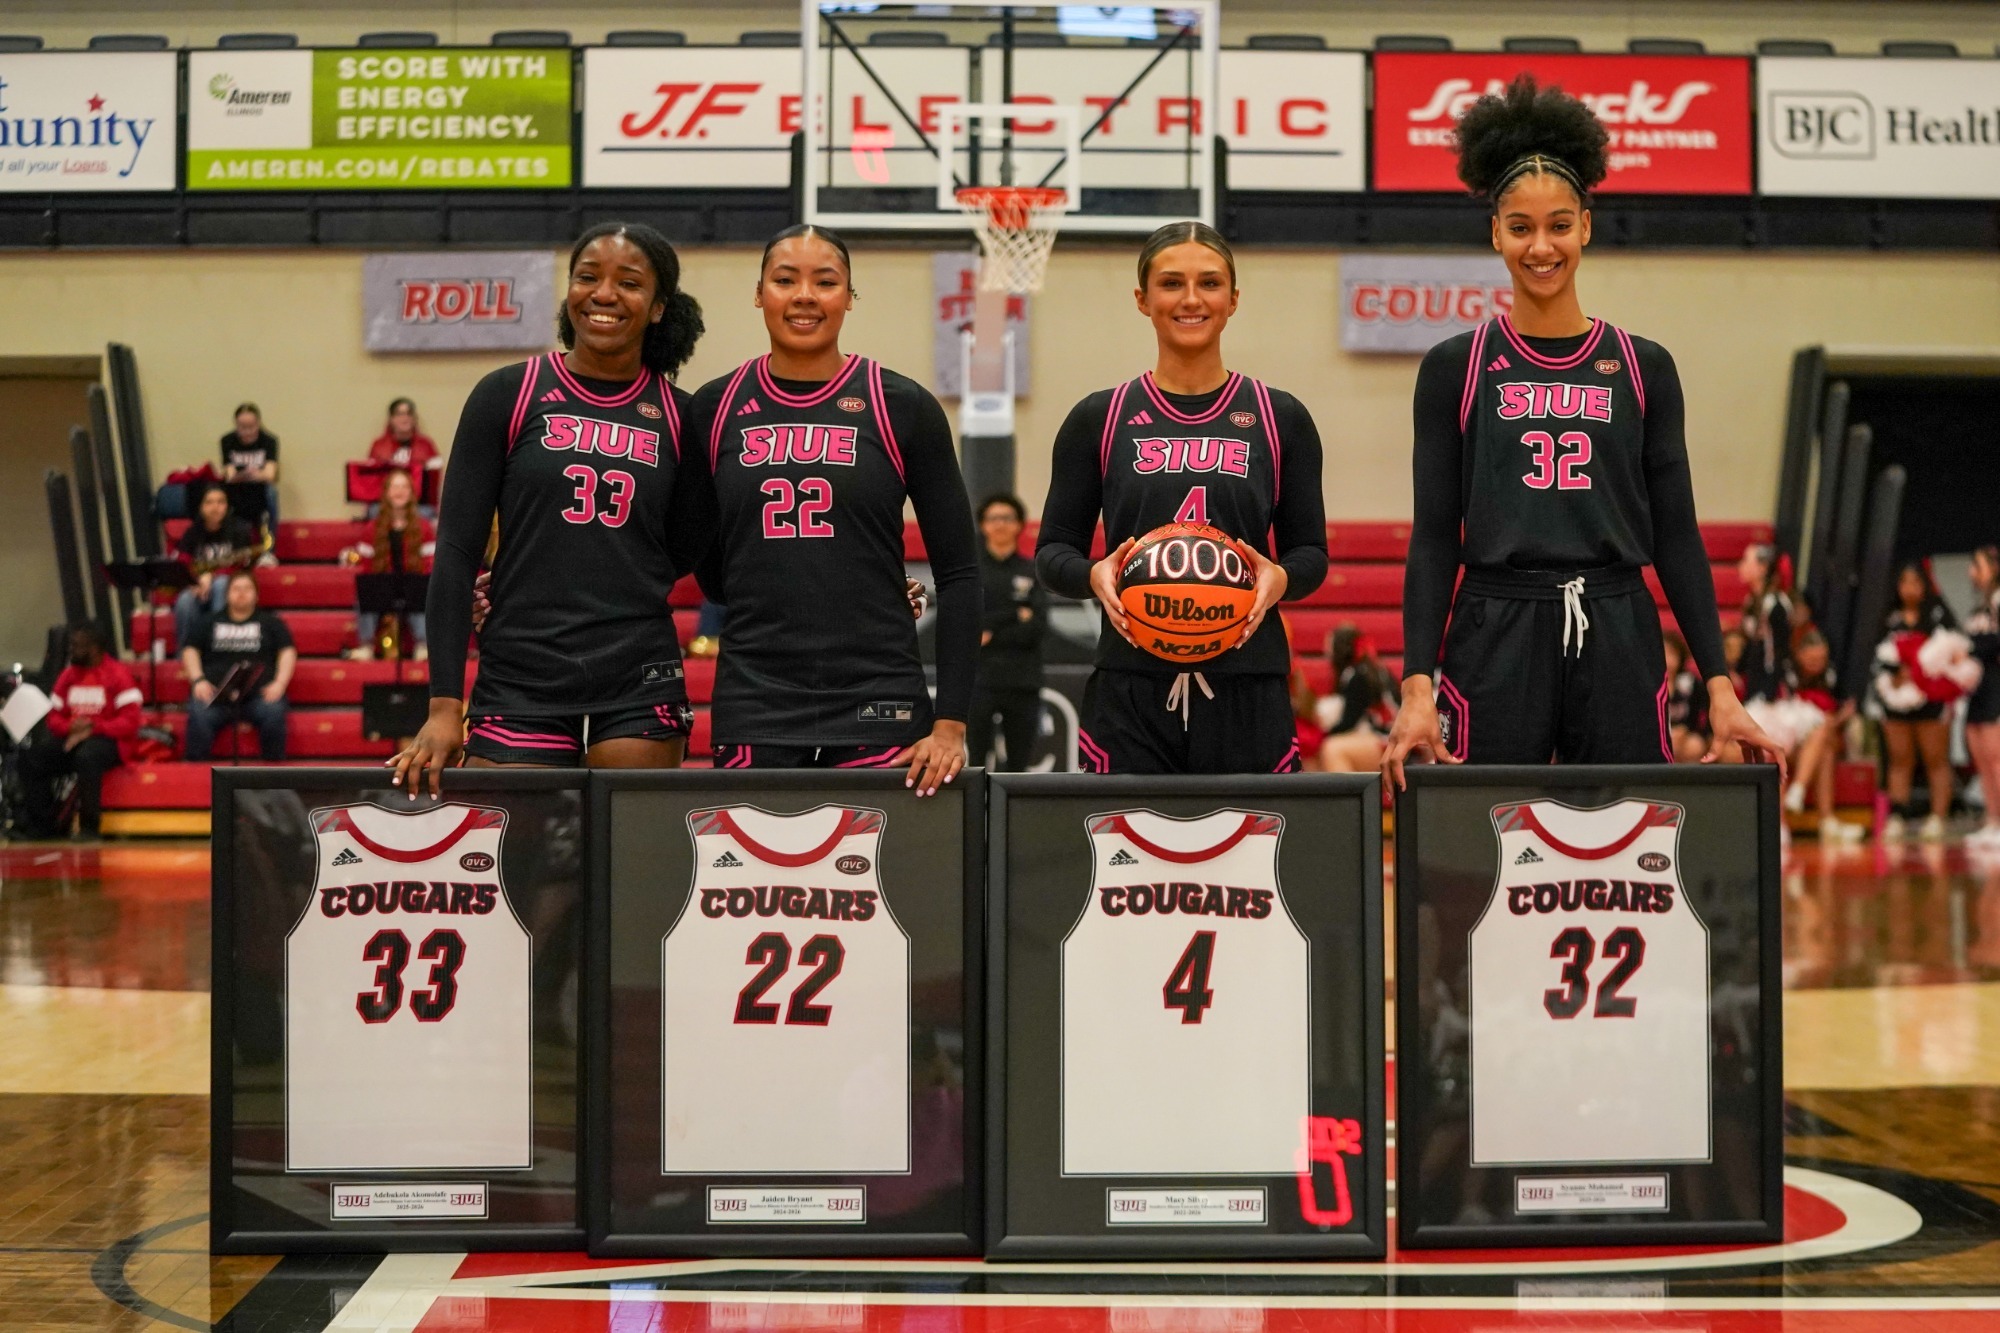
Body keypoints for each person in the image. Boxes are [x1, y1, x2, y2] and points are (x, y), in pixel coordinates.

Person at [1384, 76, 1781, 783]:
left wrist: (1720, 683)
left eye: (1559, 225)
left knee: (1629, 839)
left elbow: (1679, 534)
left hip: (1617, 618)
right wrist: (1418, 680)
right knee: (1481, 846)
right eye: (1522, 227)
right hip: (1497, 619)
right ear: (1495, 232)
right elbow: (1437, 533)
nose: (1542, 247)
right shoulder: (1456, 366)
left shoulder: (1642, 366)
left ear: (1587, 227)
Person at [392, 222, 708, 791]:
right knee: (527, 865)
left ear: (659, 307)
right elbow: (458, 550)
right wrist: (443, 707)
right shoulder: (507, 394)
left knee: (627, 858)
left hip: (637, 669)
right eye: (588, 277)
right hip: (521, 668)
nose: (604, 294)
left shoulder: (685, 418)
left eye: (629, 283)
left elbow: (692, 550)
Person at [683, 224, 979, 794]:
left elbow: (961, 573)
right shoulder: (715, 407)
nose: (804, 296)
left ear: (848, 296)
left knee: (877, 881)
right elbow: (706, 559)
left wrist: (951, 723)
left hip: (879, 692)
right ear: (759, 292)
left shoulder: (903, 406)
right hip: (757, 694)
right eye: (785, 279)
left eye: (825, 281)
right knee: (757, 876)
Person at [1036, 221, 1328, 774]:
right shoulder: (1099, 418)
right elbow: (1054, 552)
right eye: (1171, 283)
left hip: (1249, 684)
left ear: (1234, 299)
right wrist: (1094, 575)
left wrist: (1280, 578)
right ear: (1143, 299)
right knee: (1127, 856)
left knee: (1251, 857)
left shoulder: (1279, 417)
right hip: (1131, 685)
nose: (1191, 299)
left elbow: (1310, 553)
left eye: (1210, 283)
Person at [17, 624, 141, 838]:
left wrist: (94, 728)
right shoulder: (68, 676)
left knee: (88, 757)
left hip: (109, 740)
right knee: (32, 757)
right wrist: (69, 727)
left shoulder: (119, 675)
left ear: (94, 648)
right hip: (72, 738)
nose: (71, 650)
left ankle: (89, 828)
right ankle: (43, 826)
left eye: (76, 646)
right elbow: (53, 717)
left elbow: (130, 722)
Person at [1872, 560, 1959, 840]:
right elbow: (1878, 657)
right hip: (1896, 701)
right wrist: (1897, 675)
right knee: (1899, 759)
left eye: (1915, 582)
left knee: (1935, 758)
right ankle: (1897, 814)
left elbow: (1953, 652)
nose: (1909, 589)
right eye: (1904, 583)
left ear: (1925, 585)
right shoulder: (1889, 618)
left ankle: (1938, 816)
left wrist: (1923, 674)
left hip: (1931, 698)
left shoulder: (1938, 616)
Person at [181, 570, 296, 762]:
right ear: (227, 594)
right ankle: (195, 776)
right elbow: (190, 650)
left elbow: (288, 652)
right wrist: (198, 680)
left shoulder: (272, 622)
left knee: (274, 711)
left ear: (257, 595)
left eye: (247, 589)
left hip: (258, 698)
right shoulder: (209, 621)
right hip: (215, 696)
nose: (241, 593)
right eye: (236, 589)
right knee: (199, 714)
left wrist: (280, 683)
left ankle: (273, 776)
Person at [969, 493, 1047, 771]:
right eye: (993, 518)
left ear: (1019, 525)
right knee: (975, 761)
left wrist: (992, 629)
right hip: (977, 679)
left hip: (1022, 679)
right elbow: (966, 625)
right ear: (983, 525)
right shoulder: (970, 572)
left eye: (1007, 518)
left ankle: (1013, 815)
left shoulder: (1031, 570)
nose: (1000, 524)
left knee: (1019, 765)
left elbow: (1036, 628)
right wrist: (1015, 613)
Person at [344, 468, 434, 661]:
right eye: (394, 487)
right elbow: (366, 563)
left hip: (413, 582)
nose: (399, 492)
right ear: (386, 493)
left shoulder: (424, 527)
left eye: (404, 487)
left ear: (411, 493)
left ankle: (423, 645)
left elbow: (430, 563)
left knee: (424, 590)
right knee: (364, 591)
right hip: (384, 583)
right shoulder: (372, 527)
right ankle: (366, 646)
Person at [1781, 629, 1861, 841]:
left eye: (1822, 659)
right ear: (1799, 654)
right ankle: (1801, 809)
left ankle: (1825, 818)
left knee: (1825, 746)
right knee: (1822, 733)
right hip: (1788, 741)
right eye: (1813, 658)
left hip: (1819, 741)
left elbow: (1845, 709)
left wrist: (1837, 719)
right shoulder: (1785, 676)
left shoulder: (1832, 675)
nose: (1818, 663)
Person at [173, 481, 258, 648]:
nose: (215, 507)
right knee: (184, 600)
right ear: (201, 507)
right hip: (200, 588)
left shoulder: (239, 530)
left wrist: (211, 576)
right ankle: (187, 653)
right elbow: (182, 564)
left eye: (221, 502)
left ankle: (217, 649)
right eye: (209, 502)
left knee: (221, 584)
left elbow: (241, 566)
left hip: (227, 585)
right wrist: (194, 582)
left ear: (227, 505)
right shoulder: (192, 533)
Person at [1316, 624, 1397, 772]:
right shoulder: (1376, 668)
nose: (1325, 652)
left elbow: (1349, 722)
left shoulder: (1357, 675)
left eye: (1329, 647)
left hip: (1387, 740)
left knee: (1332, 750)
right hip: (1392, 737)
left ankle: (1344, 794)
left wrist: (1320, 735)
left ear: (1339, 650)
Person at [1966, 547, 2000, 846]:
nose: (1970, 572)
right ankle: (1992, 820)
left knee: (1997, 758)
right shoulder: (1979, 609)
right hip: (1978, 690)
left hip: (1996, 689)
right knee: (1982, 758)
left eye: (1976, 565)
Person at [1737, 543, 1796, 705]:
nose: (1740, 566)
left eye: (1746, 560)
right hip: (1755, 677)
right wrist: (1737, 670)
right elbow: (1752, 643)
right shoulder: (1751, 601)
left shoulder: (1775, 604)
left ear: (1762, 568)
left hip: (1770, 684)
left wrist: (1768, 693)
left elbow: (1778, 652)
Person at [221, 401, 281, 537]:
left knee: (272, 492)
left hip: (260, 489)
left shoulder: (269, 441)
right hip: (237, 488)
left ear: (258, 423)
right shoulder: (227, 441)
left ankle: (268, 550)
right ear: (236, 424)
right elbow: (230, 474)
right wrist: (247, 475)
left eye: (251, 427)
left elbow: (270, 474)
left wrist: (254, 475)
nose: (247, 432)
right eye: (242, 427)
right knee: (220, 493)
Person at [1662, 630, 1708, 763]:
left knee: (1694, 745)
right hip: (1656, 736)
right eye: (1663, 652)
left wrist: (1685, 730)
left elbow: (1701, 717)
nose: (1667, 658)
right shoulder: (1646, 683)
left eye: (1671, 653)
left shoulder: (1692, 683)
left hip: (1684, 735)